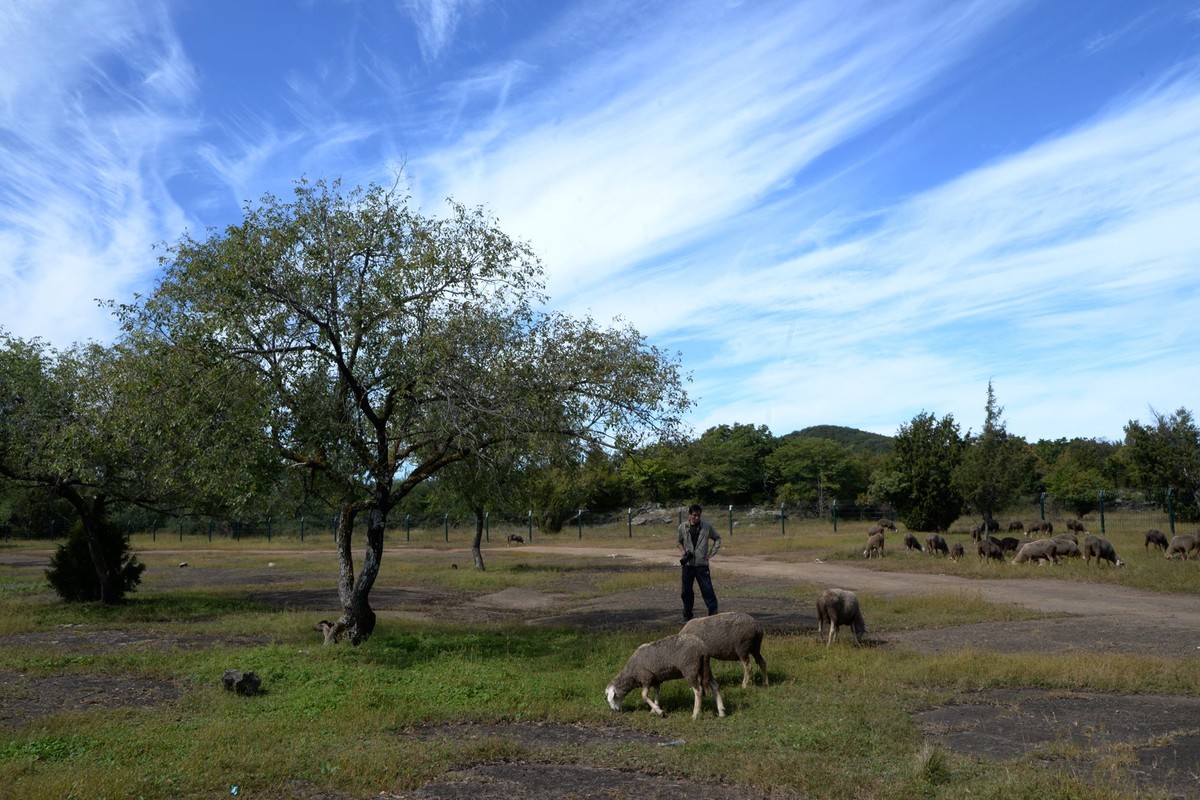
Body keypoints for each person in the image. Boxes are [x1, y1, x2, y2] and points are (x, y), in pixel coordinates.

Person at [677, 503, 721, 621]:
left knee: (707, 591)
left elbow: (717, 538)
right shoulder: (682, 527)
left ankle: (713, 616)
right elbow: (679, 542)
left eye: (699, 515)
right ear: (689, 515)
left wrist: (711, 554)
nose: (697, 518)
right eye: (695, 515)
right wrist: (683, 552)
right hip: (688, 565)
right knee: (686, 592)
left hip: (701, 565)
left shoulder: (706, 526)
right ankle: (687, 616)